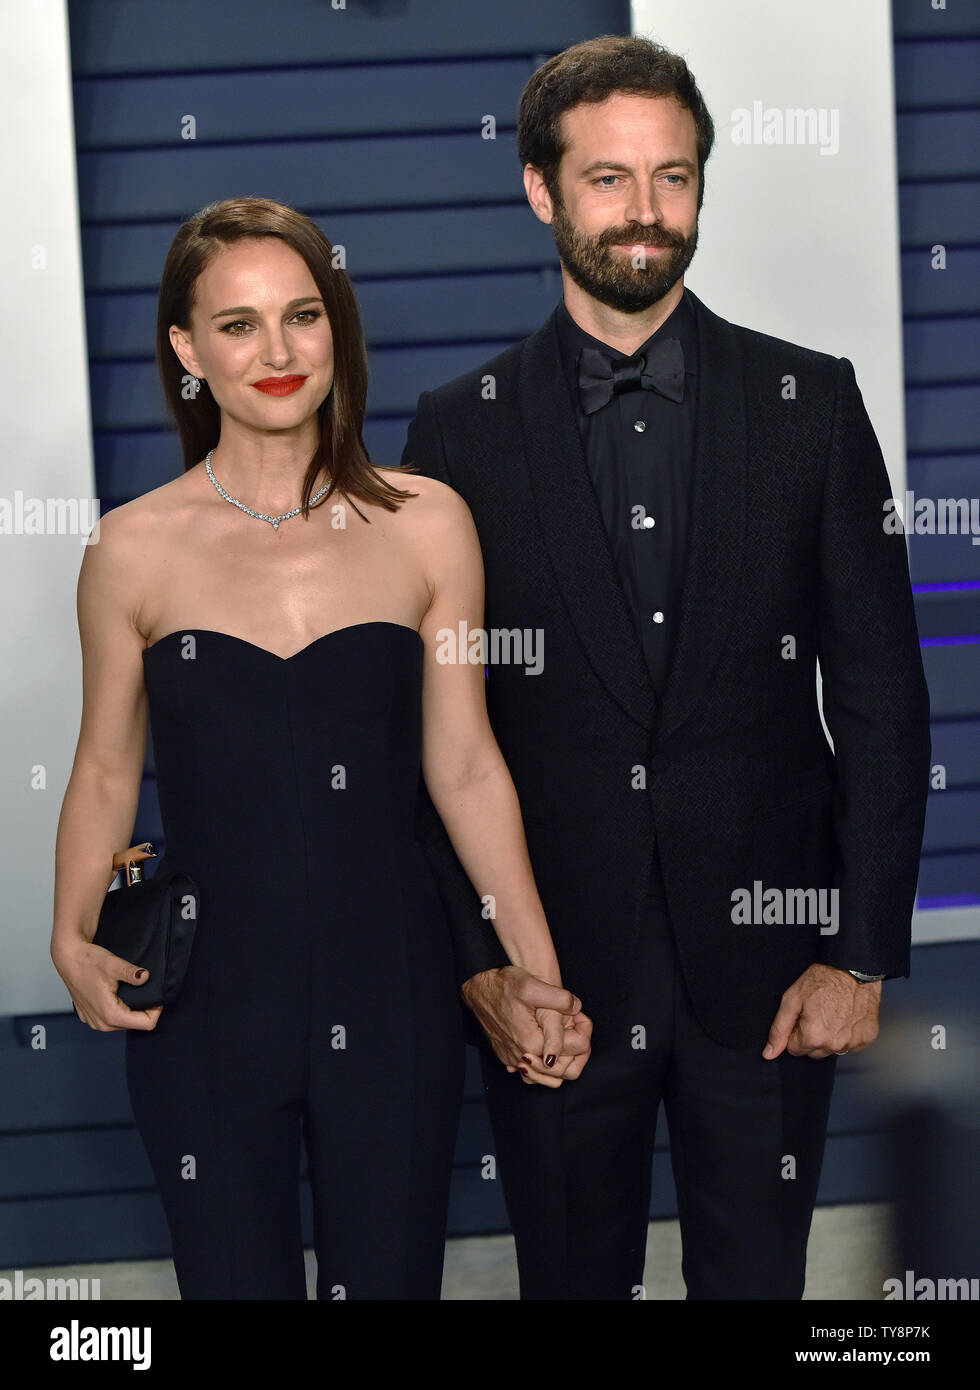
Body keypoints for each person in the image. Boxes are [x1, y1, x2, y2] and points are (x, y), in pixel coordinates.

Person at [402, 36, 931, 1299]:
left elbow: (878, 692)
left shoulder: (812, 402)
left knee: (758, 1283)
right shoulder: (453, 430)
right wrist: (485, 957)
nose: (644, 212)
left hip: (772, 965)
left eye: (672, 177)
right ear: (540, 190)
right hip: (552, 978)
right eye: (606, 180)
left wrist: (860, 951)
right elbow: (433, 725)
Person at [49, 196, 591, 1301]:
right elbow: (106, 764)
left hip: (390, 985)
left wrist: (535, 969)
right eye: (239, 326)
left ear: (336, 330)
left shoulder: (427, 521)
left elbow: (466, 763)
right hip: (203, 998)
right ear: (187, 350)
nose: (279, 351)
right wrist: (67, 937)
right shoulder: (131, 550)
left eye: (303, 316)